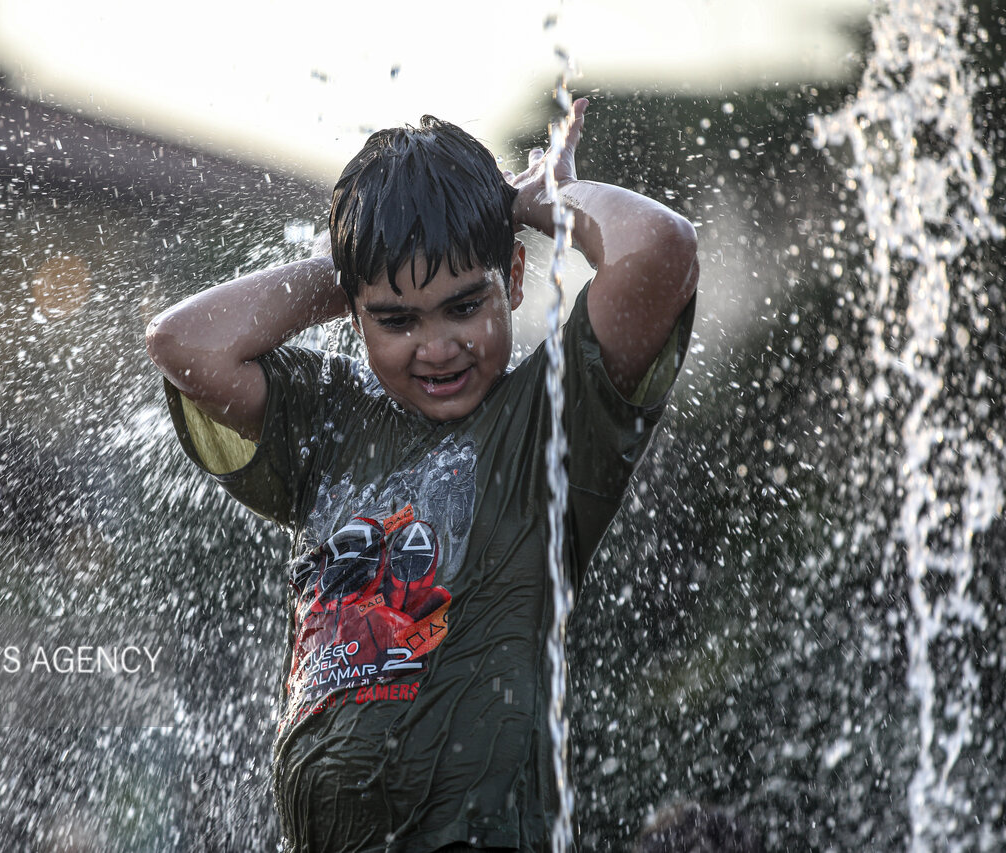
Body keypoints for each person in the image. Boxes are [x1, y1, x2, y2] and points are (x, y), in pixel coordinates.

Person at [146, 97, 699, 852]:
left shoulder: (549, 421)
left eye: (463, 307)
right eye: (397, 320)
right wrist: (366, 264)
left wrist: (536, 202)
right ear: (356, 316)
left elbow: (660, 247)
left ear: (512, 276)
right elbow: (183, 341)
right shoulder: (329, 422)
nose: (436, 348)